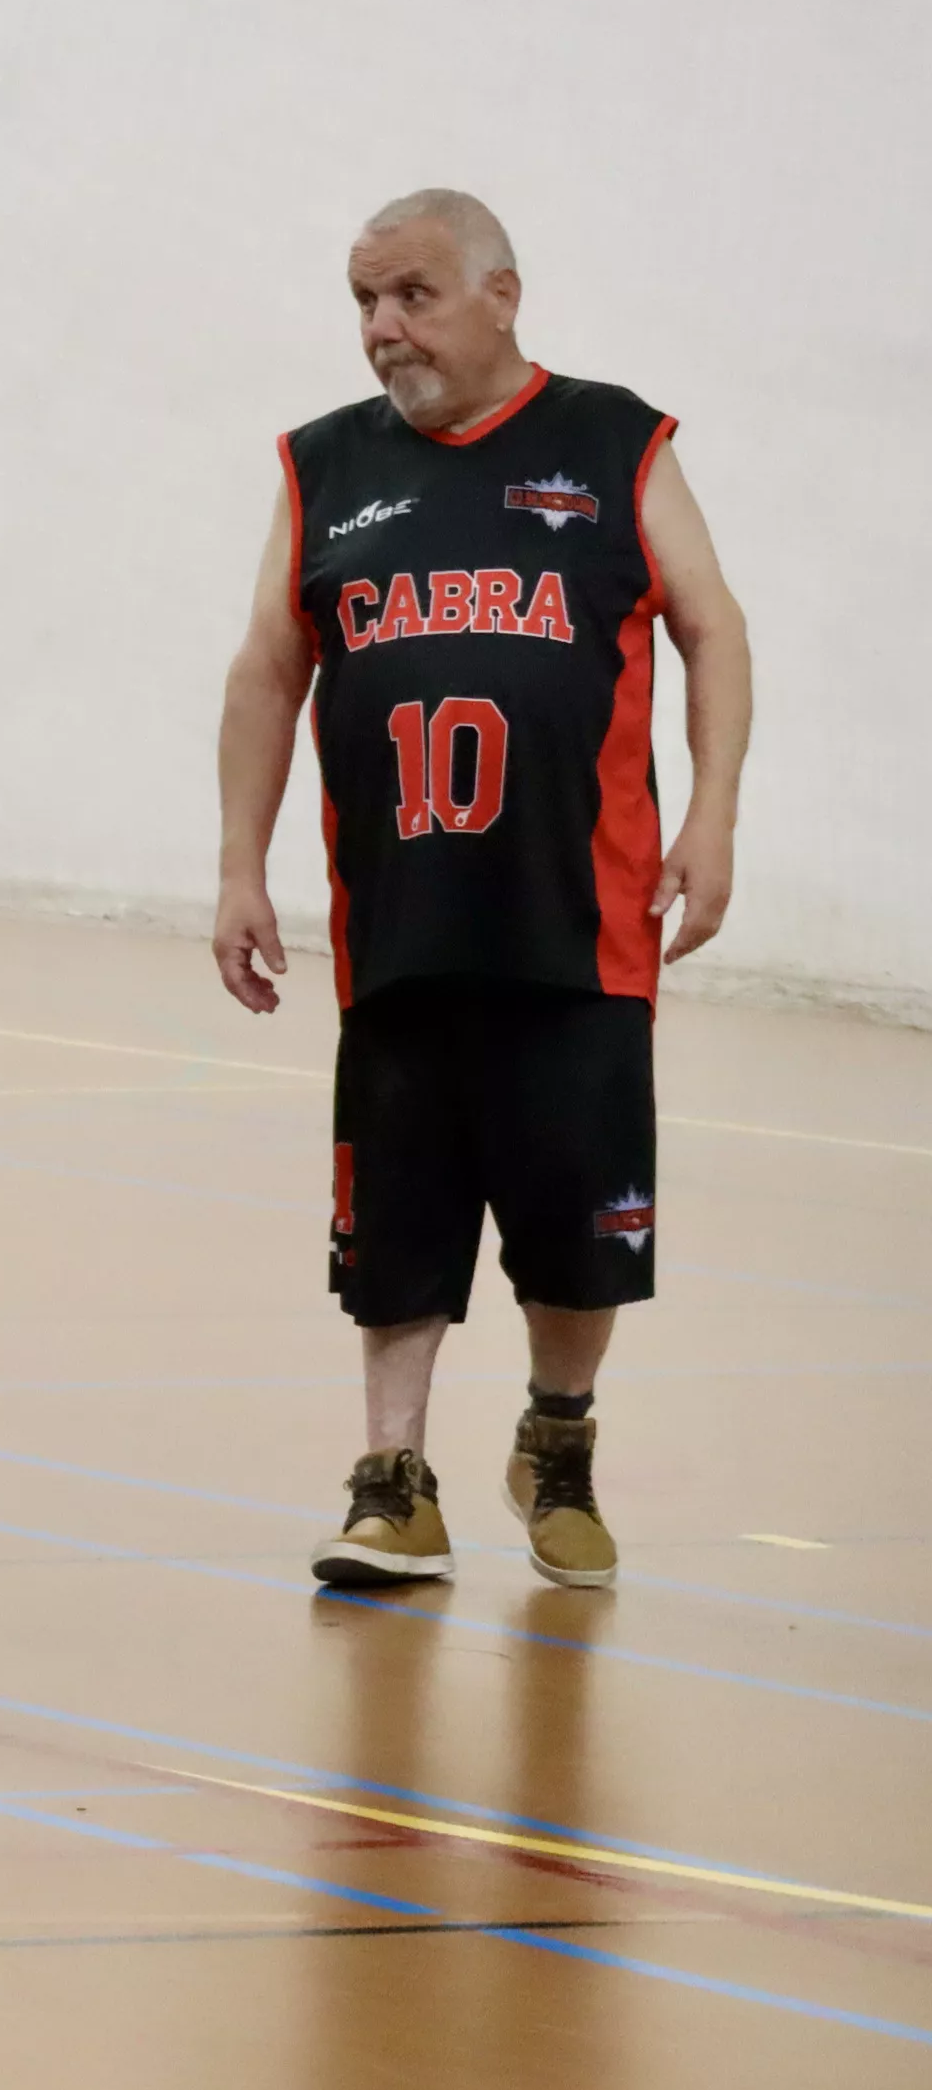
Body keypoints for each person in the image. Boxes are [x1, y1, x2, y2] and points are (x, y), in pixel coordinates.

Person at [215, 189, 749, 1593]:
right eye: (364, 304)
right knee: (398, 1223)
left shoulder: (615, 440)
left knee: (579, 1236)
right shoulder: (323, 468)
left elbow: (713, 627)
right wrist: (237, 866)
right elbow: (269, 672)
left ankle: (556, 1438)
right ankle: (393, 1482)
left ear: (502, 293)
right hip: (399, 924)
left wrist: (714, 816)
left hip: (580, 925)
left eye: (411, 298)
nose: (383, 331)